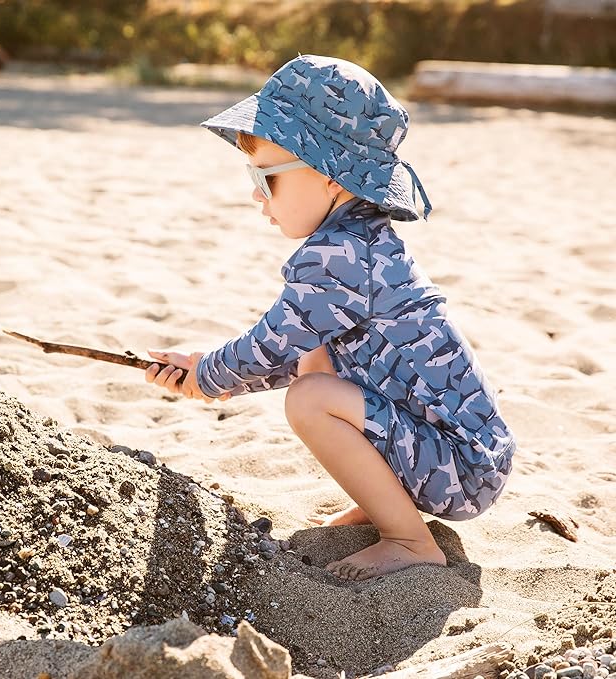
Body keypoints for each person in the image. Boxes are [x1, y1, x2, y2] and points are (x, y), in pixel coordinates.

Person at [145, 54, 515, 581]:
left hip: (461, 465)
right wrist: (214, 375)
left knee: (312, 398)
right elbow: (295, 350)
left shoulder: (340, 257)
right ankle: (379, 502)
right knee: (316, 367)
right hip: (451, 451)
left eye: (265, 176)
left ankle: (410, 539)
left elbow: (270, 345)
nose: (255, 193)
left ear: (330, 178)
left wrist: (209, 376)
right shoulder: (357, 240)